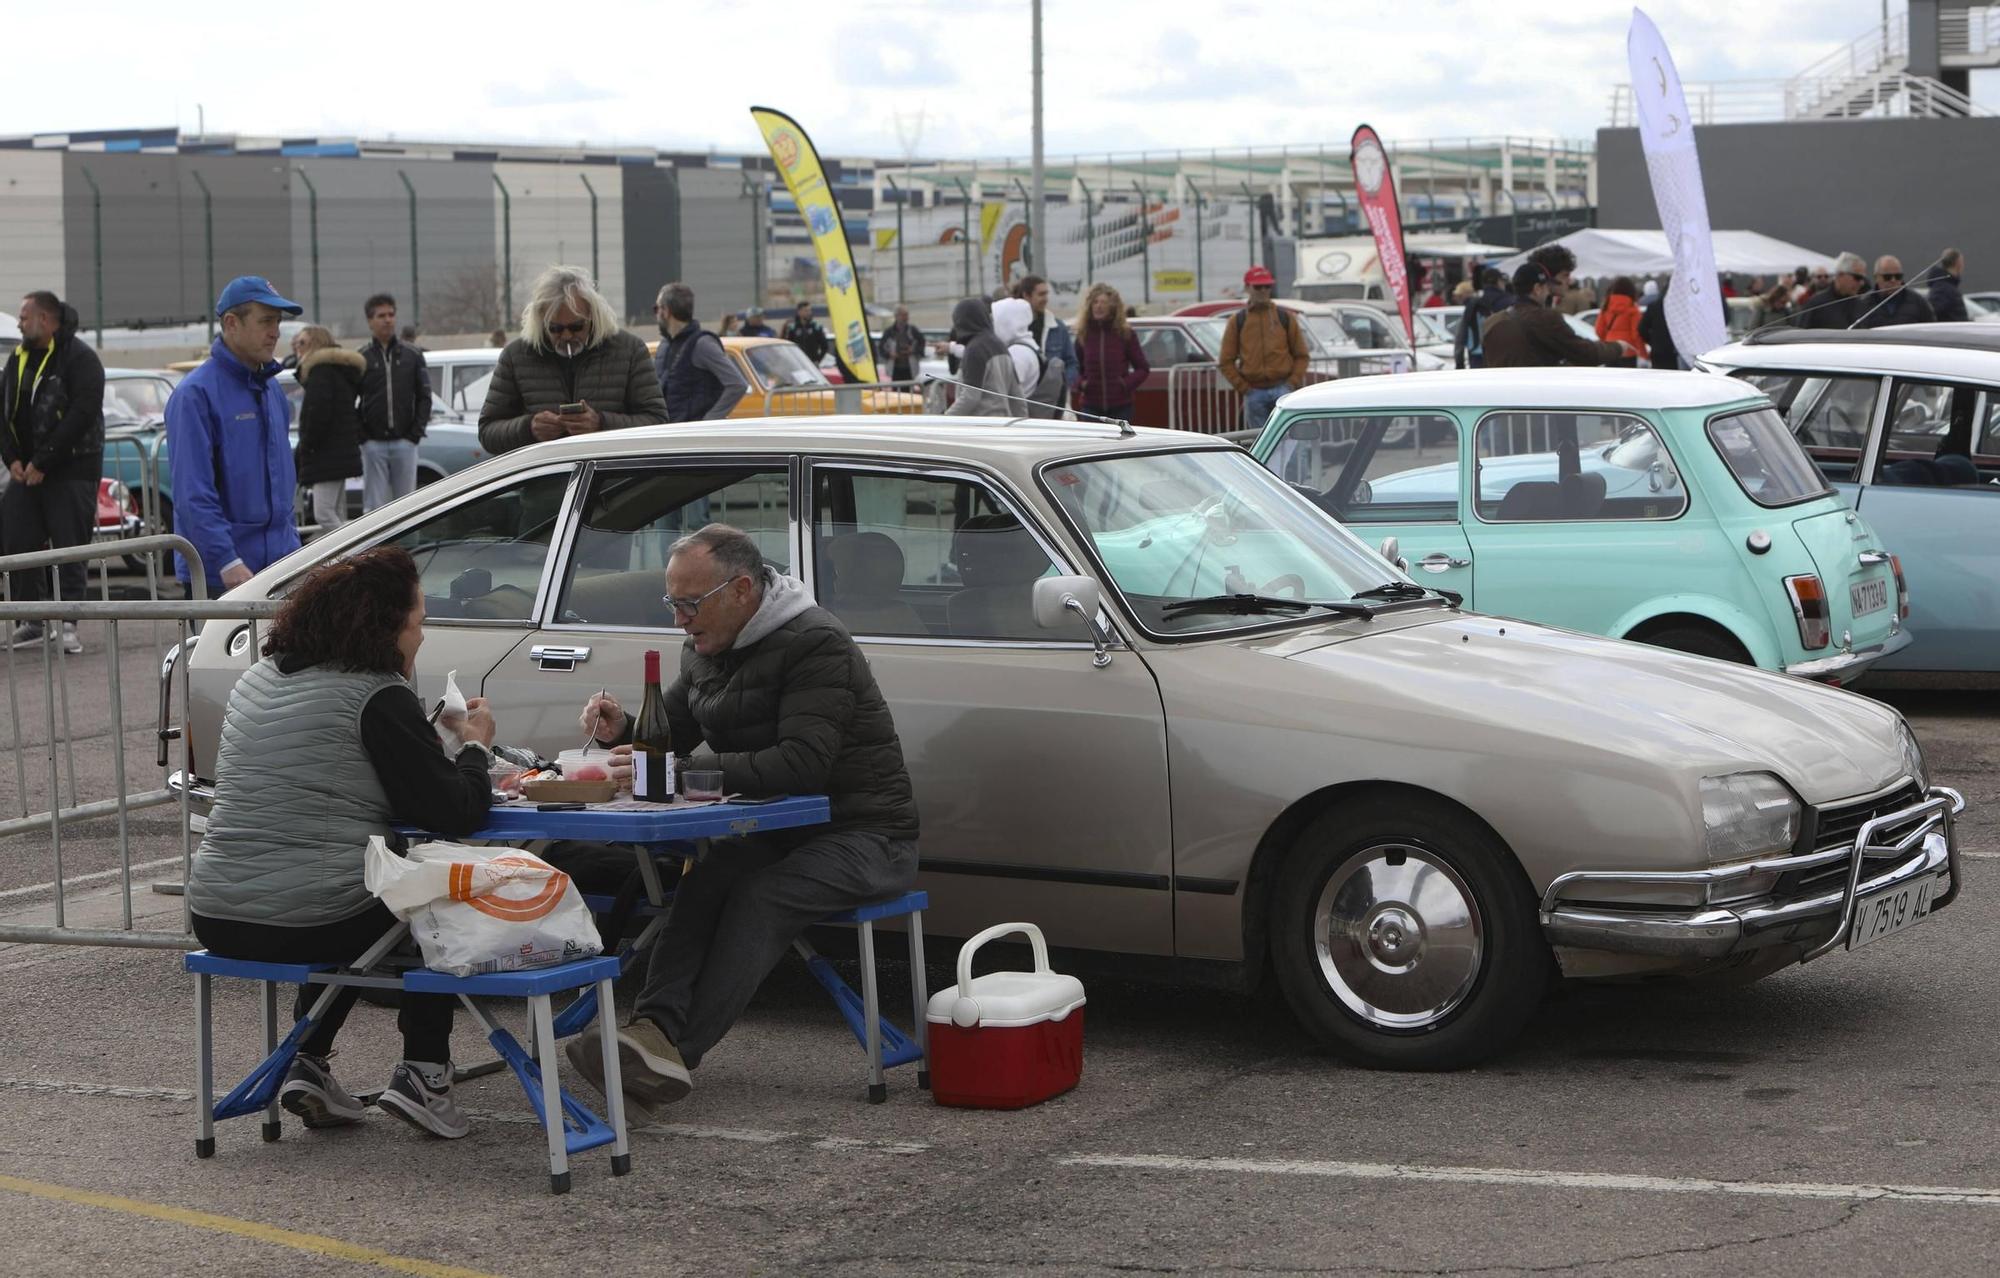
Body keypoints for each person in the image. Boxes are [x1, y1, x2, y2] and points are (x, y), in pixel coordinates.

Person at [563, 524, 918, 1113]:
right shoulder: (706, 644)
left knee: (762, 894)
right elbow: (672, 732)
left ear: (743, 590)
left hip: (866, 834)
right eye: (671, 603)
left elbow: (802, 763)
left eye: (689, 603)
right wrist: (623, 730)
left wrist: (683, 772)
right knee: (705, 877)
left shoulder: (815, 642)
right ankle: (647, 1029)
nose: (679, 618)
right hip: (781, 833)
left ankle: (672, 1050)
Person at [187, 546, 497, 1138]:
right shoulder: (377, 694)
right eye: (418, 623)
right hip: (310, 916)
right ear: (385, 627)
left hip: (216, 912)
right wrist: (477, 746)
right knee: (431, 892)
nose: (422, 637)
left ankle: (307, 1062)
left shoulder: (258, 679)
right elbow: (451, 812)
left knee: (340, 882)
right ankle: (426, 1074)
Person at [165, 277, 305, 597]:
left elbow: (282, 485)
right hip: (223, 577)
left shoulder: (271, 390)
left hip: (279, 566)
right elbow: (193, 493)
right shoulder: (195, 395)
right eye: (266, 320)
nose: (276, 332)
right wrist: (226, 559)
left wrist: (292, 549)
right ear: (231, 323)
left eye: (278, 321)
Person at [1, 290, 104, 652]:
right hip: (25, 473)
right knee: (17, 539)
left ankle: (70, 624)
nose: (19, 322)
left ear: (45, 320)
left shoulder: (80, 359)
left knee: (69, 546)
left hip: (71, 469)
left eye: (25, 316)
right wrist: (12, 458)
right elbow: (3, 412)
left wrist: (44, 461)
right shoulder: (18, 358)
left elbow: (82, 414)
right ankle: (34, 620)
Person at [478, 265, 668, 455]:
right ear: (541, 322)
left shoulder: (629, 350)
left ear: (593, 317)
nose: (567, 336)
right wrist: (529, 428)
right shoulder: (516, 355)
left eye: (577, 327)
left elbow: (657, 422)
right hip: (544, 479)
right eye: (556, 329)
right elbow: (488, 433)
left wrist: (601, 423)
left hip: (615, 480)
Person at [356, 294, 432, 513]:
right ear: (370, 321)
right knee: (373, 509)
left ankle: (407, 549)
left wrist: (414, 435)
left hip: (405, 443)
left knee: (408, 508)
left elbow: (424, 396)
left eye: (391, 314)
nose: (387, 320)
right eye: (381, 316)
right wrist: (363, 437)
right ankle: (374, 548)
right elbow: (350, 400)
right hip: (373, 445)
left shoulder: (413, 354)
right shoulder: (361, 357)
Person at [1482, 263, 1630, 369]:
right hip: (1537, 402)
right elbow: (1585, 354)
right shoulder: (1544, 318)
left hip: (1501, 405)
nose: (1548, 292)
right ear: (1537, 289)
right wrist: (1618, 347)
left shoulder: (1492, 321)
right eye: (1546, 287)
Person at [290, 326, 364, 535]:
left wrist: (308, 446)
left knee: (323, 513)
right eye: (296, 343)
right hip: (340, 452)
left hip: (326, 454)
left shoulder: (320, 373)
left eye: (302, 343)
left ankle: (356, 549)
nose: (297, 348)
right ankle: (350, 555)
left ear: (316, 344)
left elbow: (317, 416)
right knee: (337, 512)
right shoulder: (337, 371)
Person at [1218, 266, 1308, 434]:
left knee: (1289, 440)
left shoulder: (1285, 317)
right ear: (1247, 288)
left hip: (1282, 390)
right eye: (1258, 287)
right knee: (1261, 443)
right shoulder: (1237, 320)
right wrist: (1244, 388)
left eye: (1267, 286)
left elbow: (1301, 355)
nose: (1263, 290)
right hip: (1254, 393)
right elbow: (1225, 361)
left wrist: (1291, 384)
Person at [653, 282, 747, 424]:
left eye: (656, 308)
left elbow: (737, 384)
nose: (656, 314)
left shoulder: (702, 344)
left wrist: (709, 422)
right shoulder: (665, 346)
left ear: (666, 311)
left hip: (695, 438)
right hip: (669, 433)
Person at [1071, 282, 1148, 422]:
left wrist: (1125, 384)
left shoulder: (1125, 334)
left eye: (1103, 303)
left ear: (1112, 307)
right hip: (1090, 406)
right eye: (1095, 302)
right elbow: (1074, 366)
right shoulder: (1084, 334)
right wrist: (1082, 383)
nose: (1098, 306)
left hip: (1121, 406)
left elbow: (1143, 368)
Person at [942, 296, 1019, 415]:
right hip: (1002, 425)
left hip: (980, 426)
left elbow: (970, 397)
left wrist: (945, 419)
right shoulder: (1001, 345)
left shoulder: (974, 349)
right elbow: (1017, 395)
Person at [1011, 275, 1078, 410]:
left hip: (1055, 404)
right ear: (1026, 296)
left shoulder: (1058, 328)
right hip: (1022, 401)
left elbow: (1072, 363)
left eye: (1046, 294)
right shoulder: (1013, 328)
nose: (1046, 299)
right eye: (1041, 294)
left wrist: (1062, 385)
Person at [1453, 268, 1512, 369]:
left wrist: (1459, 363)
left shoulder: (1473, 305)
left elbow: (1461, 336)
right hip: (1505, 356)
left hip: (1477, 357)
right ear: (1498, 282)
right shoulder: (1509, 302)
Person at [1855, 255, 1935, 329]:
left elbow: (1931, 329)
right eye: (1887, 277)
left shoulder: (1918, 302)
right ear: (1876, 278)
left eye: (1898, 277)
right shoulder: (1863, 304)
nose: (1893, 280)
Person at [1795, 252, 1870, 329]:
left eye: (1863, 279)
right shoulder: (1816, 305)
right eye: (1857, 278)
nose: (1861, 283)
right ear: (1841, 274)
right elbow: (1801, 335)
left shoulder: (1861, 306)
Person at [1593, 278, 1647, 366]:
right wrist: (1643, 353)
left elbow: (1598, 330)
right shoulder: (1633, 308)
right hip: (1629, 350)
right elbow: (1636, 334)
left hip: (1610, 350)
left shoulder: (1606, 307)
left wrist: (1607, 340)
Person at [878, 306, 925, 382]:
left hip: (910, 368)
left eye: (906, 315)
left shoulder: (913, 330)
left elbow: (922, 343)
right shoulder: (889, 332)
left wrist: (912, 350)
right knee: (896, 391)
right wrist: (890, 354)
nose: (905, 317)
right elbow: (881, 348)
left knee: (909, 391)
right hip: (895, 368)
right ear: (896, 316)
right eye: (903, 315)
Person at [1926, 248, 1968, 323]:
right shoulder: (1943, 288)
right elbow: (1932, 312)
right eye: (1962, 262)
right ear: (1958, 263)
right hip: (1951, 332)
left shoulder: (1947, 286)